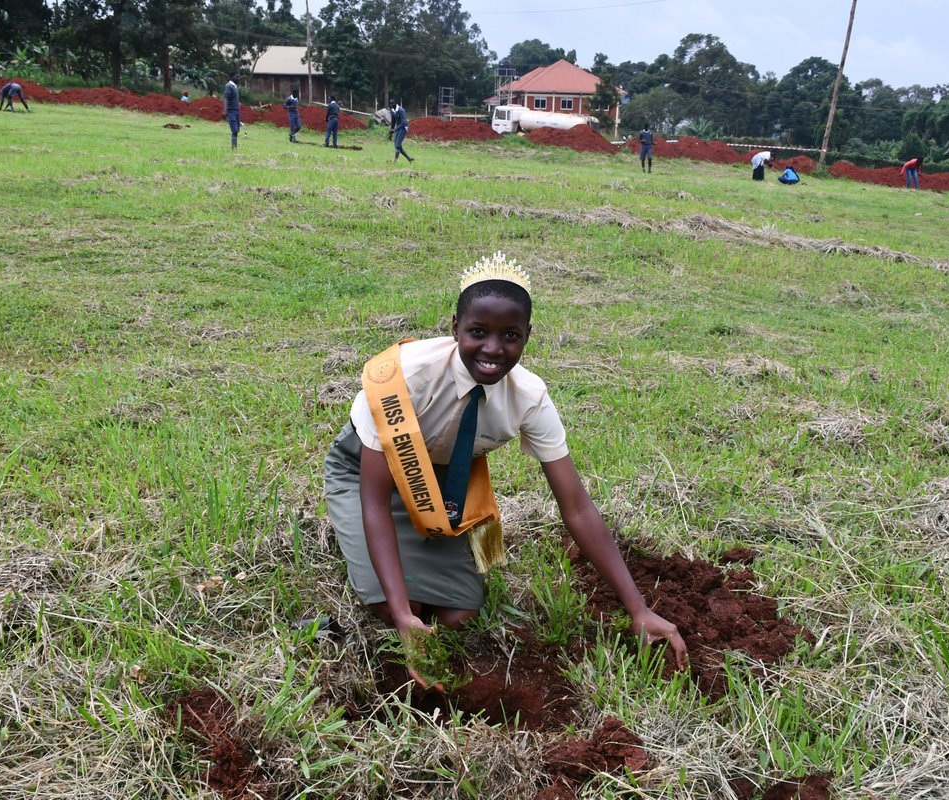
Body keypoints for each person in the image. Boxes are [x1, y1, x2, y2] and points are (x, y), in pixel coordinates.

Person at [323, 252, 688, 688]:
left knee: (460, 613)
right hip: (368, 476)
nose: (493, 349)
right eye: (478, 332)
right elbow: (376, 501)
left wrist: (638, 610)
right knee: (390, 606)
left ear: (527, 336)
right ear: (455, 326)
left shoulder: (529, 398)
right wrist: (403, 617)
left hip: (443, 487)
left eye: (510, 335)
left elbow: (576, 507)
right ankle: (375, 570)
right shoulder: (402, 379)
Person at [223, 72, 241, 150]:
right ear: (232, 77)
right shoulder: (229, 86)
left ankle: (235, 147)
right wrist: (225, 110)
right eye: (237, 77)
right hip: (231, 111)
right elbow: (226, 98)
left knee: (237, 130)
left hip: (236, 111)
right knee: (234, 130)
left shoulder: (235, 87)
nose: (238, 78)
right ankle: (234, 147)